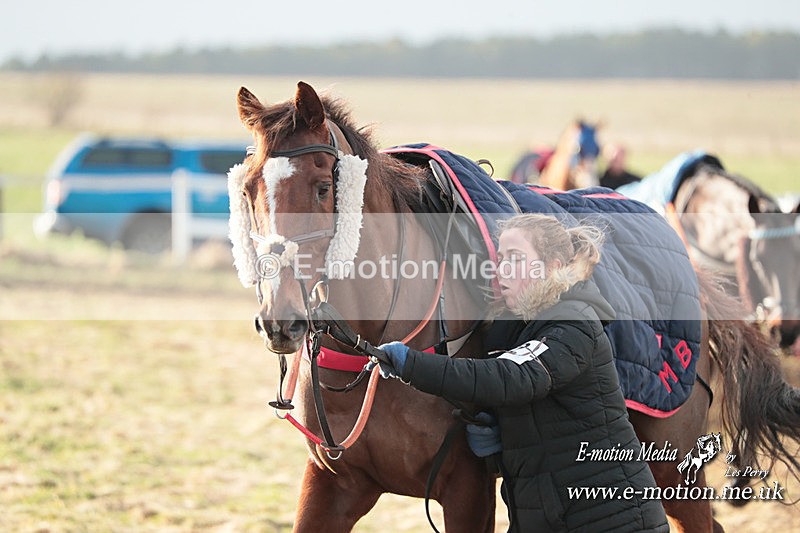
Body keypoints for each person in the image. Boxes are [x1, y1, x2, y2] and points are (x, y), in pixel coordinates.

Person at [378, 214, 669, 532]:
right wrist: (501, 439)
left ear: (554, 266)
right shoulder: (513, 331)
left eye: (515, 259)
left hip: (614, 522)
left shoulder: (574, 321)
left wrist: (411, 365)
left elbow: (511, 378)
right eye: (500, 259)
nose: (501, 269)